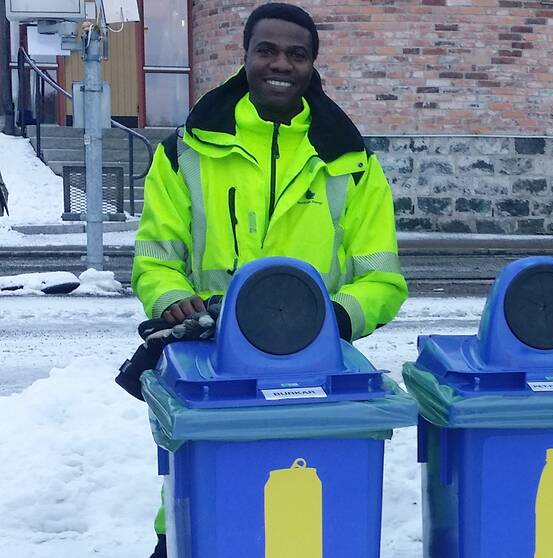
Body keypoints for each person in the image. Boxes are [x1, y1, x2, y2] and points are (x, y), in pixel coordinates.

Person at [131, 4, 407, 556]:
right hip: (214, 368)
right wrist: (172, 299)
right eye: (267, 50)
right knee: (201, 512)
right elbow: (156, 258)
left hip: (314, 371)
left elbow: (382, 279)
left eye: (296, 54)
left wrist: (331, 319)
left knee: (305, 517)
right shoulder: (186, 151)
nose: (281, 64)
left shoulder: (350, 163)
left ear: (312, 65)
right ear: (247, 56)